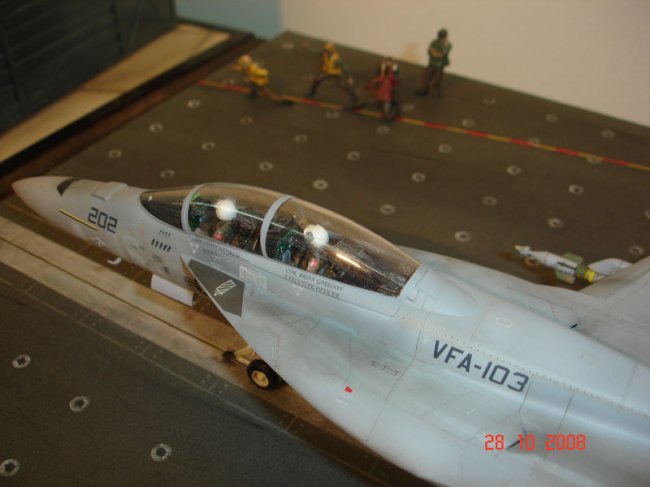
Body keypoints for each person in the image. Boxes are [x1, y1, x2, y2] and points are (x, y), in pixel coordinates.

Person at [416, 29, 452, 98]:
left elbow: (441, 54)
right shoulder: (434, 42)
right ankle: (423, 90)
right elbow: (429, 50)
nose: (443, 38)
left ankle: (436, 93)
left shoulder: (447, 44)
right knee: (427, 77)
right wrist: (434, 53)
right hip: (432, 62)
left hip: (440, 64)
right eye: (441, 36)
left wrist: (435, 52)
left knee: (437, 79)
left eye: (443, 36)